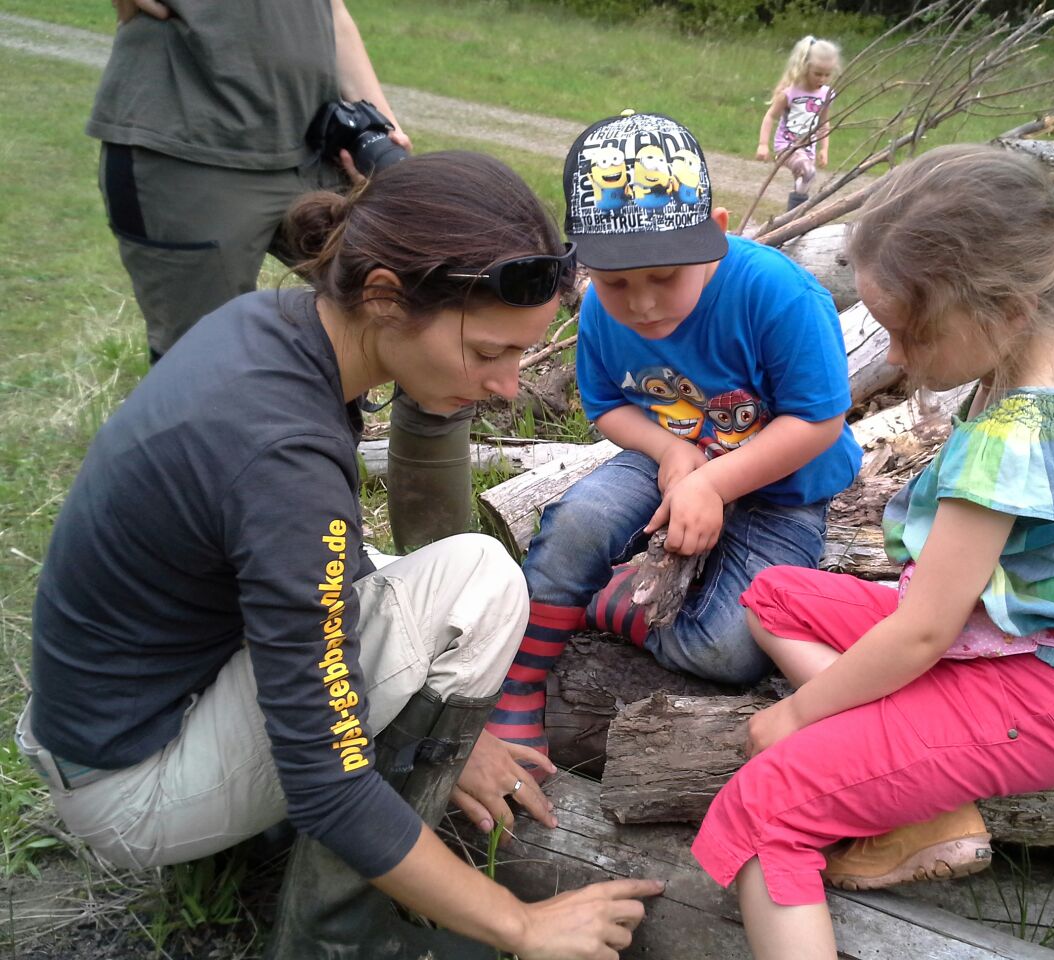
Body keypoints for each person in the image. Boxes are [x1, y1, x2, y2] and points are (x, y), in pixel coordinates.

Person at [20, 152, 662, 960]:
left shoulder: (279, 331)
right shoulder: (283, 456)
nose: (507, 386)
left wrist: (439, 732)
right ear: (386, 295)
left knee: (386, 564)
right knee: (482, 582)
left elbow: (300, 570)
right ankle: (344, 939)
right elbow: (328, 782)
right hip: (133, 786)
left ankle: (320, 834)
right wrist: (522, 924)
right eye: (489, 351)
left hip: (108, 724)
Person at [689, 144, 1054, 960]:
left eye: (909, 332)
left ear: (1001, 310)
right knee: (775, 593)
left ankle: (892, 781)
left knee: (766, 807)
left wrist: (794, 717)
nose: (894, 356)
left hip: (1032, 694)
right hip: (1016, 642)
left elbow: (925, 632)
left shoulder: (1011, 441)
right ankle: (911, 792)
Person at [482, 112, 863, 754]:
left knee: (729, 648)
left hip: (783, 489)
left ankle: (608, 599)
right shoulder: (606, 309)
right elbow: (606, 406)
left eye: (665, 275)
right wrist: (670, 450)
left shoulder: (778, 296)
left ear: (715, 232)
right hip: (668, 457)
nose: (644, 303)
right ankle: (517, 680)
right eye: (616, 282)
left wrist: (714, 481)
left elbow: (819, 418)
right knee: (580, 520)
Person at [89, 0, 468, 551]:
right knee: (201, 384)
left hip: (315, 143)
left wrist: (378, 121)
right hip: (187, 149)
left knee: (427, 318)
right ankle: (215, 581)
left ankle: (435, 574)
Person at [756, 36, 841, 211]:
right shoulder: (790, 93)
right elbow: (770, 116)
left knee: (803, 182)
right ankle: (794, 215)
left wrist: (824, 149)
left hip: (808, 148)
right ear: (805, 67)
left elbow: (824, 122)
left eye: (827, 74)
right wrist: (763, 144)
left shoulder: (826, 94)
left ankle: (792, 219)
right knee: (808, 172)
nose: (822, 79)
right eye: (817, 74)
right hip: (786, 146)